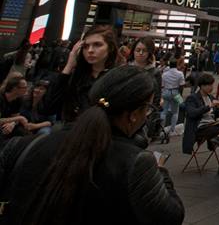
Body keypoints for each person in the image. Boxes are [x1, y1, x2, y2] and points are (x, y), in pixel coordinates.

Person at [2, 66, 185, 224]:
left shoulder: (25, 145)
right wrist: (160, 171)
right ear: (134, 115)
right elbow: (170, 216)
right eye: (148, 109)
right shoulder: (138, 163)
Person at [40, 25, 117, 123]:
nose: (90, 50)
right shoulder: (75, 76)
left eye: (97, 45)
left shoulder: (116, 77)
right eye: (85, 46)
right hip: (70, 129)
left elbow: (114, 110)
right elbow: (48, 107)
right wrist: (68, 66)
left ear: (110, 47)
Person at [181, 73, 219, 158]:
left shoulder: (211, 97)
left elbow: (217, 115)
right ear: (202, 86)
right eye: (209, 85)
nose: (211, 87)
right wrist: (209, 106)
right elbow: (192, 113)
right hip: (199, 127)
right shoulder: (192, 98)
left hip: (211, 124)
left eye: (212, 85)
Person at [160, 58, 185, 135]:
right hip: (175, 92)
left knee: (164, 111)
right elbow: (182, 85)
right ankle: (172, 129)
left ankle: (161, 128)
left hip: (166, 92)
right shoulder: (180, 73)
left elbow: (162, 85)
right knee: (175, 112)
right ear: (176, 65)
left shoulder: (164, 74)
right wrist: (179, 95)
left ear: (169, 65)